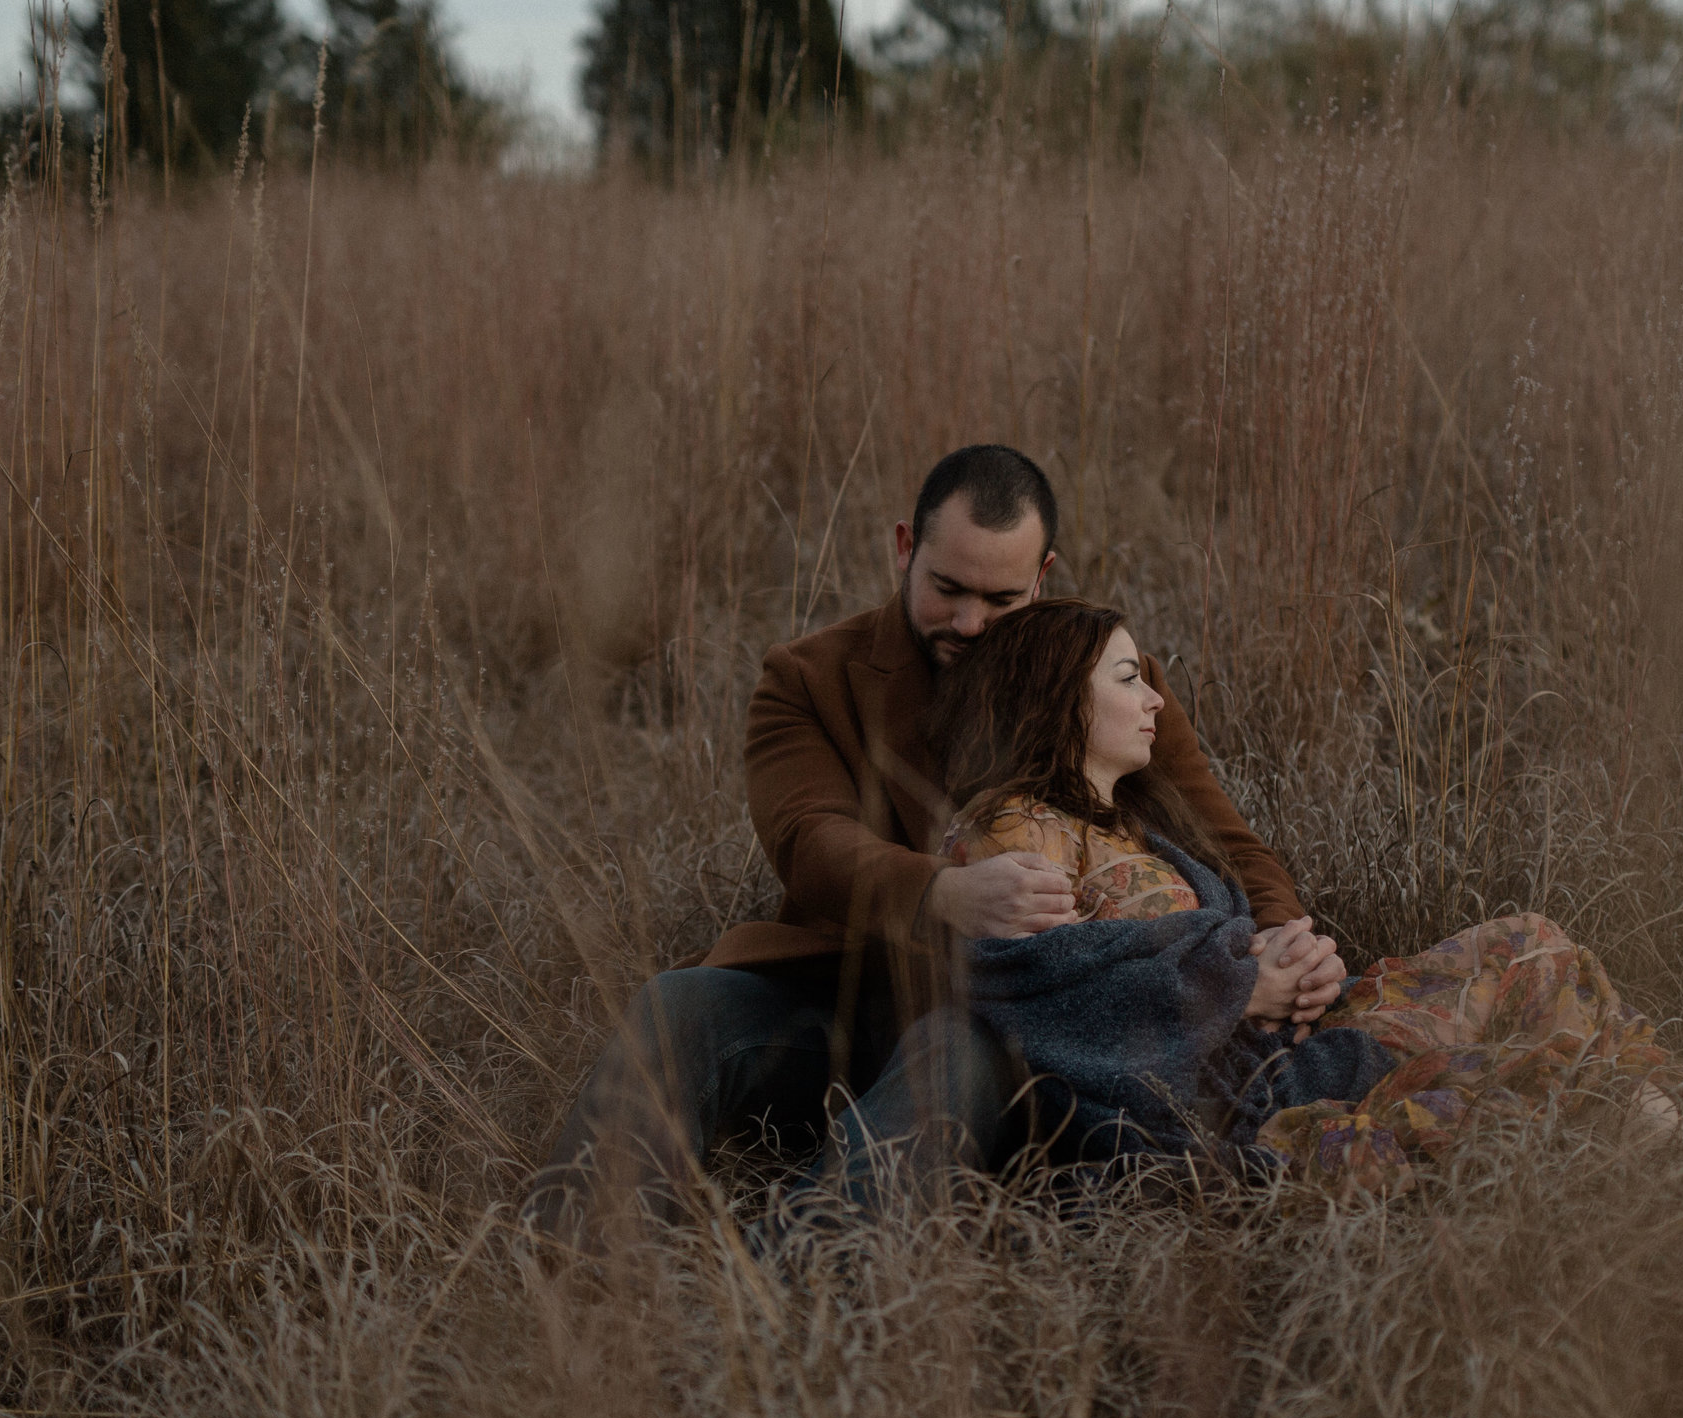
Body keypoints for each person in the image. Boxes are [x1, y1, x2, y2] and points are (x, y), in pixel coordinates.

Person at [524, 446, 1347, 1244]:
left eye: (1000, 599)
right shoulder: (809, 678)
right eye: (947, 588)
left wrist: (1282, 941)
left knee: (952, 1048)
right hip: (852, 991)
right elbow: (808, 841)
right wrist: (941, 892)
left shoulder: (1098, 676)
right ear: (904, 548)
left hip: (1035, 1028)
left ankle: (789, 1290)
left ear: (1044, 576)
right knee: (680, 1005)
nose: (969, 622)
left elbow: (1225, 837)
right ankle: (572, 1268)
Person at [926, 598, 1683, 1189]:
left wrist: (1288, 956)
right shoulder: (1014, 832)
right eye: (1129, 680)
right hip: (1248, 1112)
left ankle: (1658, 1132)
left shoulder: (1126, 823)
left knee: (1527, 943)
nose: (1157, 699)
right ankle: (1667, 1157)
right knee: (1519, 1075)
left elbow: (1196, 930)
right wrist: (1236, 982)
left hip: (1280, 1054)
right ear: (1062, 697)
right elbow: (1048, 994)